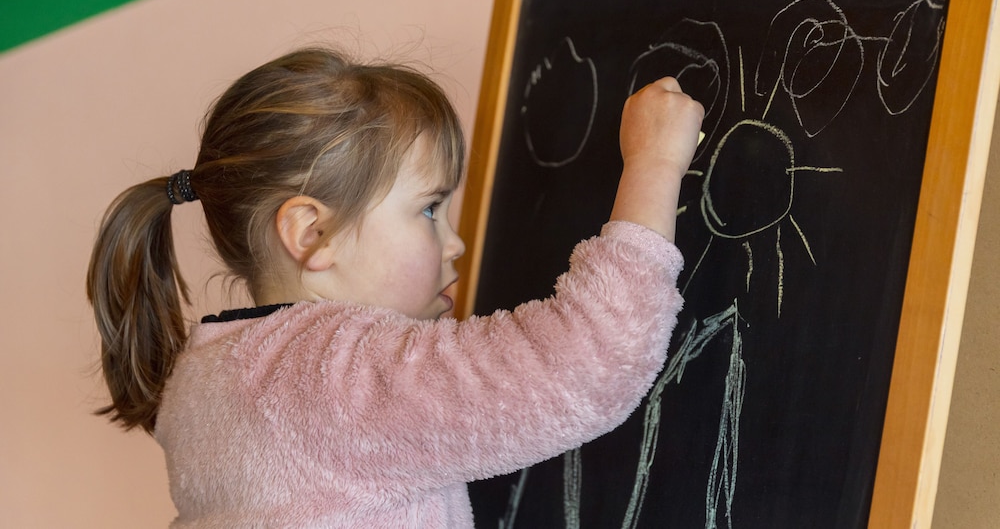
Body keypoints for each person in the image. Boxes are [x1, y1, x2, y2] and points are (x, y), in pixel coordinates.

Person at [86, 46, 704, 527]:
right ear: (312, 233)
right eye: (429, 209)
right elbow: (587, 362)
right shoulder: (337, 373)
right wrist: (654, 165)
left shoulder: (206, 373)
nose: (455, 243)